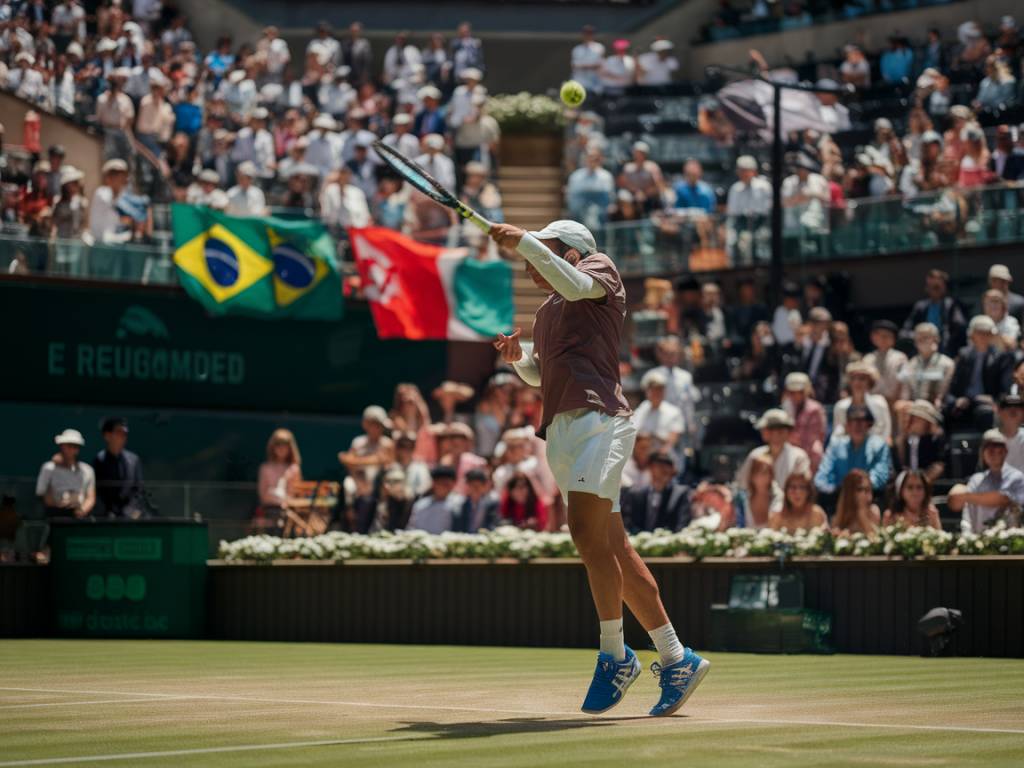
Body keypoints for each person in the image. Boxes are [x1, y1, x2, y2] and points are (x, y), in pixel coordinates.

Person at [490, 217, 708, 716]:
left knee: (587, 537)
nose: (530, 267)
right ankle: (677, 658)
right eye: (528, 257)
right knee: (611, 546)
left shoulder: (598, 269)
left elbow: (575, 284)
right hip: (562, 429)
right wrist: (518, 359)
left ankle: (616, 654)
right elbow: (543, 375)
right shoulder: (548, 311)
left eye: (541, 252)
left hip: (599, 422)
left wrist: (523, 238)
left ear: (570, 250)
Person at [948, 430, 1024, 534]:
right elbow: (955, 504)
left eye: (998, 449)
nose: (993, 453)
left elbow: (1002, 499)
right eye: (988, 449)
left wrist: (965, 495)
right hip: (980, 540)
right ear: (982, 452)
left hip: (1010, 541)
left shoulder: (1016, 476)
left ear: (1005, 451)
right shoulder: (976, 479)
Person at [946, 315, 1012, 431]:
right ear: (972, 335)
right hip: (965, 401)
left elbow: (1005, 388)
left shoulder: (1002, 357)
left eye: (987, 333)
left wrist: (993, 399)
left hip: (987, 402)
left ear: (992, 336)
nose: (983, 336)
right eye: (979, 332)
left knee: (984, 413)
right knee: (944, 411)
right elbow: (953, 386)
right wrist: (956, 400)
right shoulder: (963, 355)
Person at [815, 405, 892, 495]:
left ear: (869, 425)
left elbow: (880, 477)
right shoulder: (836, 445)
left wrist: (858, 489)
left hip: (869, 496)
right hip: (838, 496)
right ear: (846, 425)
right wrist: (834, 490)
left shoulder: (879, 446)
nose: (857, 425)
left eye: (862, 421)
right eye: (852, 421)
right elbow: (821, 478)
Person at [735, 409, 811, 491]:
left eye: (768, 429)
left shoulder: (798, 456)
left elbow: (802, 489)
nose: (763, 432)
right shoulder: (755, 455)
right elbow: (742, 484)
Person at [647, 335, 701, 448]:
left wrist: (691, 424)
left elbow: (688, 403)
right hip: (660, 427)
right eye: (667, 353)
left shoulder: (685, 376)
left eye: (673, 353)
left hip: (681, 427)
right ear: (660, 354)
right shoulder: (652, 376)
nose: (670, 357)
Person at [899, 269, 967, 357]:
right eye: (931, 286)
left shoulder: (952, 304)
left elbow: (960, 326)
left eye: (937, 287)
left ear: (944, 287)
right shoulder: (920, 306)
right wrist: (920, 337)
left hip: (945, 349)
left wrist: (946, 339)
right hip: (922, 350)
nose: (934, 290)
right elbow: (906, 330)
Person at [620, 453, 691, 533]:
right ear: (651, 468)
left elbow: (682, 523)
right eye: (660, 466)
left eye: (668, 466)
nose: (665, 470)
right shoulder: (636, 494)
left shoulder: (679, 494)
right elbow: (629, 523)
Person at [36, 429, 96, 519]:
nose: (71, 449)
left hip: (79, 518)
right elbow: (42, 493)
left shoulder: (87, 470)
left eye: (75, 446)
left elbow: (91, 497)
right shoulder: (48, 468)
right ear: (61, 446)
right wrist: (58, 507)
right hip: (54, 516)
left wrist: (81, 511)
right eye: (68, 445)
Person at [92, 417, 145, 519]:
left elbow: (139, 490)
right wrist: (106, 513)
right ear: (107, 436)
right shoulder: (98, 460)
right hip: (105, 518)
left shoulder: (134, 460)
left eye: (125, 433)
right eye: (119, 432)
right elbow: (96, 491)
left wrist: (133, 511)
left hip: (130, 519)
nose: (123, 436)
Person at [725, 155, 771, 266]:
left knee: (751, 241)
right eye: (740, 170)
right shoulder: (735, 188)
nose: (743, 174)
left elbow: (766, 211)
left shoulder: (764, 186)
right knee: (732, 240)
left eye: (746, 170)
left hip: (761, 223)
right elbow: (732, 213)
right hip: (741, 224)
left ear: (754, 171)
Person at [897, 322, 955, 408]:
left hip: (935, 406)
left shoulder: (947, 363)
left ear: (936, 339)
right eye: (918, 339)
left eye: (925, 338)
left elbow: (942, 394)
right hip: (913, 405)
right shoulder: (910, 363)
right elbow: (906, 391)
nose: (921, 341)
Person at [832, 362, 892, 442]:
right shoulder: (840, 406)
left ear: (870, 381)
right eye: (853, 378)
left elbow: (886, 430)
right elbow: (837, 434)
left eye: (862, 378)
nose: (857, 382)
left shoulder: (879, 403)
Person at [257, 429, 303, 532]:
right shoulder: (265, 468)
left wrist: (286, 501)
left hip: (290, 515)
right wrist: (278, 498)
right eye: (278, 444)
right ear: (272, 446)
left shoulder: (294, 469)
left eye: (285, 444)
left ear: (290, 447)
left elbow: (296, 495)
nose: (281, 448)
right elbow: (263, 496)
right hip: (269, 512)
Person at [632, 370, 685, 457]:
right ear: (647, 391)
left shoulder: (674, 412)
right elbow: (633, 433)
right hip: (640, 457)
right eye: (653, 389)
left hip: (663, 458)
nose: (656, 393)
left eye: (660, 389)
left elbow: (672, 440)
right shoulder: (642, 408)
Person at [781, 372, 826, 473]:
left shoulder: (815, 408)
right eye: (792, 392)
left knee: (816, 451)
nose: (796, 395)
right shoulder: (786, 406)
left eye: (799, 392)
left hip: (809, 450)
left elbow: (814, 436)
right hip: (789, 447)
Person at [893, 400, 947, 482]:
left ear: (927, 422)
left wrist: (922, 482)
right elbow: (901, 463)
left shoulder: (936, 440)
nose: (911, 421)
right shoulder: (907, 440)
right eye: (912, 417)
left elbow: (939, 466)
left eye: (917, 418)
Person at [339, 406, 396, 483]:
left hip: (381, 484)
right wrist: (375, 460)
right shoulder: (357, 442)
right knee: (349, 483)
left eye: (381, 425)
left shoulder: (388, 443)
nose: (380, 428)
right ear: (366, 424)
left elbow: (387, 461)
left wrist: (356, 461)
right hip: (360, 482)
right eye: (376, 424)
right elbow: (347, 461)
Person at [731, 453, 782, 530]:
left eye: (765, 472)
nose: (761, 476)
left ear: (771, 476)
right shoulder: (741, 498)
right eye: (758, 471)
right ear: (751, 475)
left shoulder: (778, 498)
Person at [407, 465, 463, 534]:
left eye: (447, 484)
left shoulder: (459, 504)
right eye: (440, 483)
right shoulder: (421, 505)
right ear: (433, 483)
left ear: (453, 485)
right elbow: (411, 528)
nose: (443, 487)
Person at [863, 320, 907, 405]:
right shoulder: (868, 359)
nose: (883, 339)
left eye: (887, 336)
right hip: (872, 402)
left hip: (894, 401)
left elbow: (903, 381)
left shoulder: (900, 358)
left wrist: (899, 400)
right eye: (880, 335)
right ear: (873, 337)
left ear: (893, 339)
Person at [832, 469, 881, 536]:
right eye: (859, 489)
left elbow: (874, 537)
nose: (863, 494)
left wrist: (861, 513)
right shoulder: (841, 513)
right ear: (850, 491)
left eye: (867, 489)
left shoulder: (874, 510)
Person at [570, 25, 604, 94]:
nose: (588, 35)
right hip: (578, 83)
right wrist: (591, 66)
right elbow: (574, 65)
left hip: (594, 85)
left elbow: (599, 65)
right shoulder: (577, 49)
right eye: (586, 33)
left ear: (593, 35)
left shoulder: (599, 47)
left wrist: (582, 66)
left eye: (590, 33)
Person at [996, 394, 1024, 473]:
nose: (1013, 409)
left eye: (1019, 406)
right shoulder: (990, 437)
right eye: (1007, 406)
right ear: (998, 411)